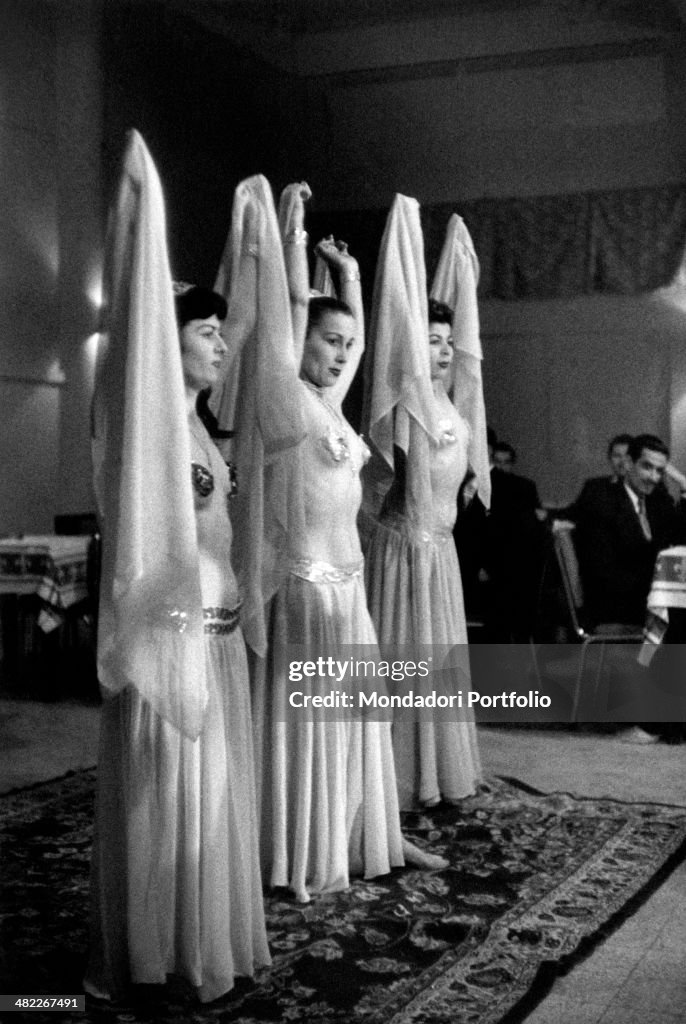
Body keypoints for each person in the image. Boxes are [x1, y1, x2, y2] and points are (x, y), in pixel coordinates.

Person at [85, 133, 269, 1002]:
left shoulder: (202, 430)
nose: (221, 345)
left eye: (223, 332)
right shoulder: (151, 432)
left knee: (212, 800)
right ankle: (155, 954)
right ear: (169, 341)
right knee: (168, 801)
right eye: (206, 331)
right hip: (174, 642)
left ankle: (201, 940)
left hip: (218, 641)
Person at [227, 182, 445, 904]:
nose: (341, 354)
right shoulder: (282, 399)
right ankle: (303, 850)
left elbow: (358, 352)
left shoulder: (328, 407)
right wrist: (293, 239)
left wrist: (350, 277)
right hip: (304, 592)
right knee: (313, 724)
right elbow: (289, 314)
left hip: (348, 591)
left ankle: (369, 836)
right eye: (329, 340)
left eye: (347, 344)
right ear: (300, 341)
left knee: (358, 723)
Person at [365, 286, 481, 809]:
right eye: (433, 341)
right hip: (407, 551)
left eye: (448, 342)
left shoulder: (451, 405)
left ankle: (439, 772)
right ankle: (404, 780)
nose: (444, 351)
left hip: (440, 551)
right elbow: (391, 483)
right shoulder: (407, 409)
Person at [575, 433, 686, 627]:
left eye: (660, 471)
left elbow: (680, 535)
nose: (653, 477)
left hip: (651, 598)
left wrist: (684, 484)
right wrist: (656, 588)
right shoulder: (600, 502)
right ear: (628, 463)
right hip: (616, 606)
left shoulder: (657, 500)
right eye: (647, 467)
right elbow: (601, 573)